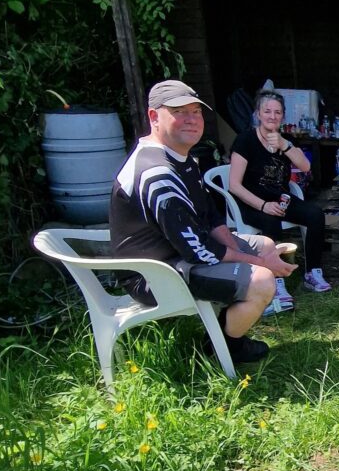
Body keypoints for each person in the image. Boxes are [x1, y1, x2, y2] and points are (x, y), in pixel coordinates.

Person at [110, 79, 296, 364]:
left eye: (195, 111)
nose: (191, 120)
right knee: (262, 281)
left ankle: (228, 329)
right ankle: (222, 345)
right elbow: (198, 250)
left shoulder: (181, 157)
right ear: (153, 116)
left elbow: (209, 214)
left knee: (266, 245)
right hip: (154, 274)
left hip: (177, 255)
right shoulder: (156, 173)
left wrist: (249, 252)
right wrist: (258, 265)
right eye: (179, 111)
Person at [229, 90, 332, 309]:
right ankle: (275, 281)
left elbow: (305, 167)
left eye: (277, 112)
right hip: (252, 203)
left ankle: (312, 273)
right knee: (270, 221)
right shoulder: (245, 141)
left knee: (315, 214)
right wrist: (264, 205)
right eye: (267, 111)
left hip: (281, 199)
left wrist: (285, 145)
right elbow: (234, 186)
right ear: (258, 114)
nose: (272, 116)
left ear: (283, 116)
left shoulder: (287, 141)